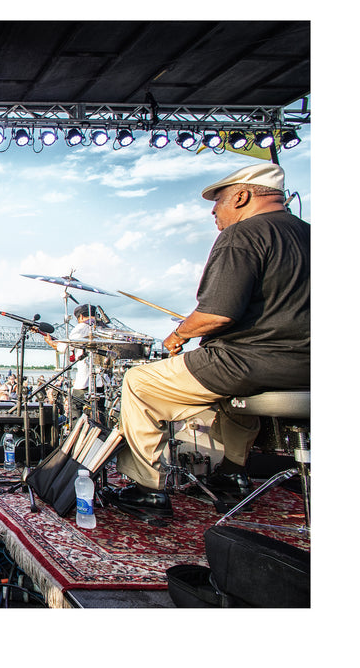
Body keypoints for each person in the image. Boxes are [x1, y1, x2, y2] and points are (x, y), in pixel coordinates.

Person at [111, 163, 310, 516]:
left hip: (249, 361)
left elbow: (218, 313)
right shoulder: (311, 234)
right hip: (307, 367)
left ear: (242, 196)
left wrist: (179, 334)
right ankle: (232, 477)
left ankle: (146, 490)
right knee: (227, 393)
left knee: (139, 382)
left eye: (217, 202)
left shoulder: (243, 235)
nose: (213, 212)